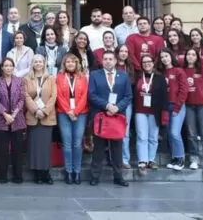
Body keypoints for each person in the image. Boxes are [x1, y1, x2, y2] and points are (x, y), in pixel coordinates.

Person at [87, 50, 132, 187]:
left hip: (117, 116)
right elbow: (92, 95)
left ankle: (118, 176)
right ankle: (95, 176)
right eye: (105, 59)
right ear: (102, 61)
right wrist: (107, 106)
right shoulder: (95, 75)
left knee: (117, 148)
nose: (107, 61)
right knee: (98, 148)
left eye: (110, 59)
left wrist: (117, 108)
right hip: (101, 116)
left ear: (115, 61)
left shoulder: (123, 76)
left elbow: (128, 96)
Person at [56, 53, 89, 185]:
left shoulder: (82, 78)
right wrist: (68, 111)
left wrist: (75, 111)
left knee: (77, 143)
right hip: (64, 113)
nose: (70, 64)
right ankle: (69, 171)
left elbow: (84, 96)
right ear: (64, 64)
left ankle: (77, 171)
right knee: (67, 144)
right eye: (67, 62)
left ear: (77, 64)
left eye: (73, 62)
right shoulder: (59, 77)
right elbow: (59, 96)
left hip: (80, 114)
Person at [133, 55, 168, 176]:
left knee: (153, 137)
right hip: (140, 111)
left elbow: (164, 97)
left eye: (149, 61)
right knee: (142, 136)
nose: (147, 63)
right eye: (144, 62)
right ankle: (142, 160)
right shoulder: (137, 76)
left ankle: (151, 159)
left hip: (155, 111)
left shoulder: (160, 78)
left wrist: (164, 112)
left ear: (153, 63)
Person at [24, 55, 57, 184]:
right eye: (35, 62)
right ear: (32, 64)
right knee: (34, 146)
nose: (38, 64)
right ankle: (37, 173)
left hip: (46, 117)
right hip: (33, 116)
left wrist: (44, 111)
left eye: (40, 62)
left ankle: (46, 173)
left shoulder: (51, 79)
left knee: (45, 147)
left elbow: (54, 96)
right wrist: (35, 110)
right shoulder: (27, 79)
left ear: (44, 64)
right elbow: (26, 96)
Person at [182, 48, 203, 172]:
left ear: (197, 57)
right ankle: (194, 159)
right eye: (188, 54)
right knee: (191, 134)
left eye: (193, 54)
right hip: (188, 105)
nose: (190, 56)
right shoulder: (183, 70)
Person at [0, 57, 26, 184]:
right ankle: (2, 176)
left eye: (10, 65)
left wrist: (13, 115)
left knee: (17, 150)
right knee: (2, 150)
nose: (8, 68)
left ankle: (17, 176)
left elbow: (22, 99)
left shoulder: (20, 81)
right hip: (2, 120)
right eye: (6, 65)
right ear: (2, 68)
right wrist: (5, 114)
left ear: (14, 68)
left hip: (17, 120)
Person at [158, 48, 188, 171]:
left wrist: (177, 107)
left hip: (177, 106)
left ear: (171, 56)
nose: (164, 59)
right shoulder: (161, 73)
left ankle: (181, 158)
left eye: (166, 56)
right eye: (162, 57)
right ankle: (175, 158)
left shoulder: (179, 71)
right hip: (166, 107)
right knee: (170, 133)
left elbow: (183, 90)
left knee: (175, 133)